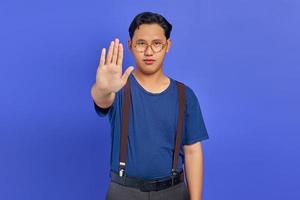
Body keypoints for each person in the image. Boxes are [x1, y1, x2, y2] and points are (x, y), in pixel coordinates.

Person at [91, 11, 209, 200]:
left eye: (156, 44)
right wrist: (103, 89)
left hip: (173, 191)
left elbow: (193, 151)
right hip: (124, 191)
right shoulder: (119, 88)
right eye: (141, 43)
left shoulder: (185, 95)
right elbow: (102, 100)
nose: (149, 51)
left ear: (167, 45)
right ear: (130, 46)